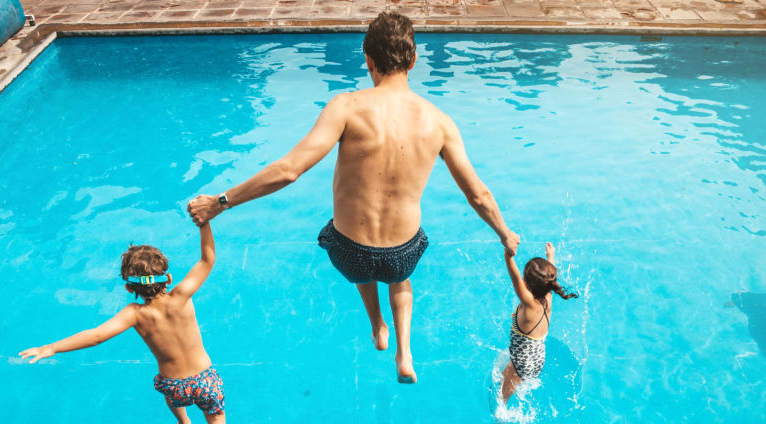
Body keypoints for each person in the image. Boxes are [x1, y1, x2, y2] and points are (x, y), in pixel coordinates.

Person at [187, 12, 519, 384]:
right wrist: (504, 233)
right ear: (413, 61)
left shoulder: (346, 107)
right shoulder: (440, 122)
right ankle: (404, 352)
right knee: (400, 278)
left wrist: (219, 202)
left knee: (360, 261)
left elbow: (289, 170)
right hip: (402, 253)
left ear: (368, 60)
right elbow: (478, 194)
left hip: (349, 251)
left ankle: (378, 327)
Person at [19, 221, 239, 424]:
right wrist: (204, 224)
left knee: (172, 396)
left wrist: (51, 347)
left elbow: (96, 336)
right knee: (216, 419)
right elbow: (207, 259)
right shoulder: (182, 294)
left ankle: (183, 422)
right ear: (168, 278)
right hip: (204, 379)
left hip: (174, 384)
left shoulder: (134, 314)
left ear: (129, 288)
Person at [500, 242, 578, 403]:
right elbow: (548, 279)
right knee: (503, 376)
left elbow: (515, 279)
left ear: (526, 284)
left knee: (502, 396)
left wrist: (508, 256)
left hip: (522, 363)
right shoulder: (548, 297)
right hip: (536, 358)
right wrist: (551, 257)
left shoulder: (529, 304)